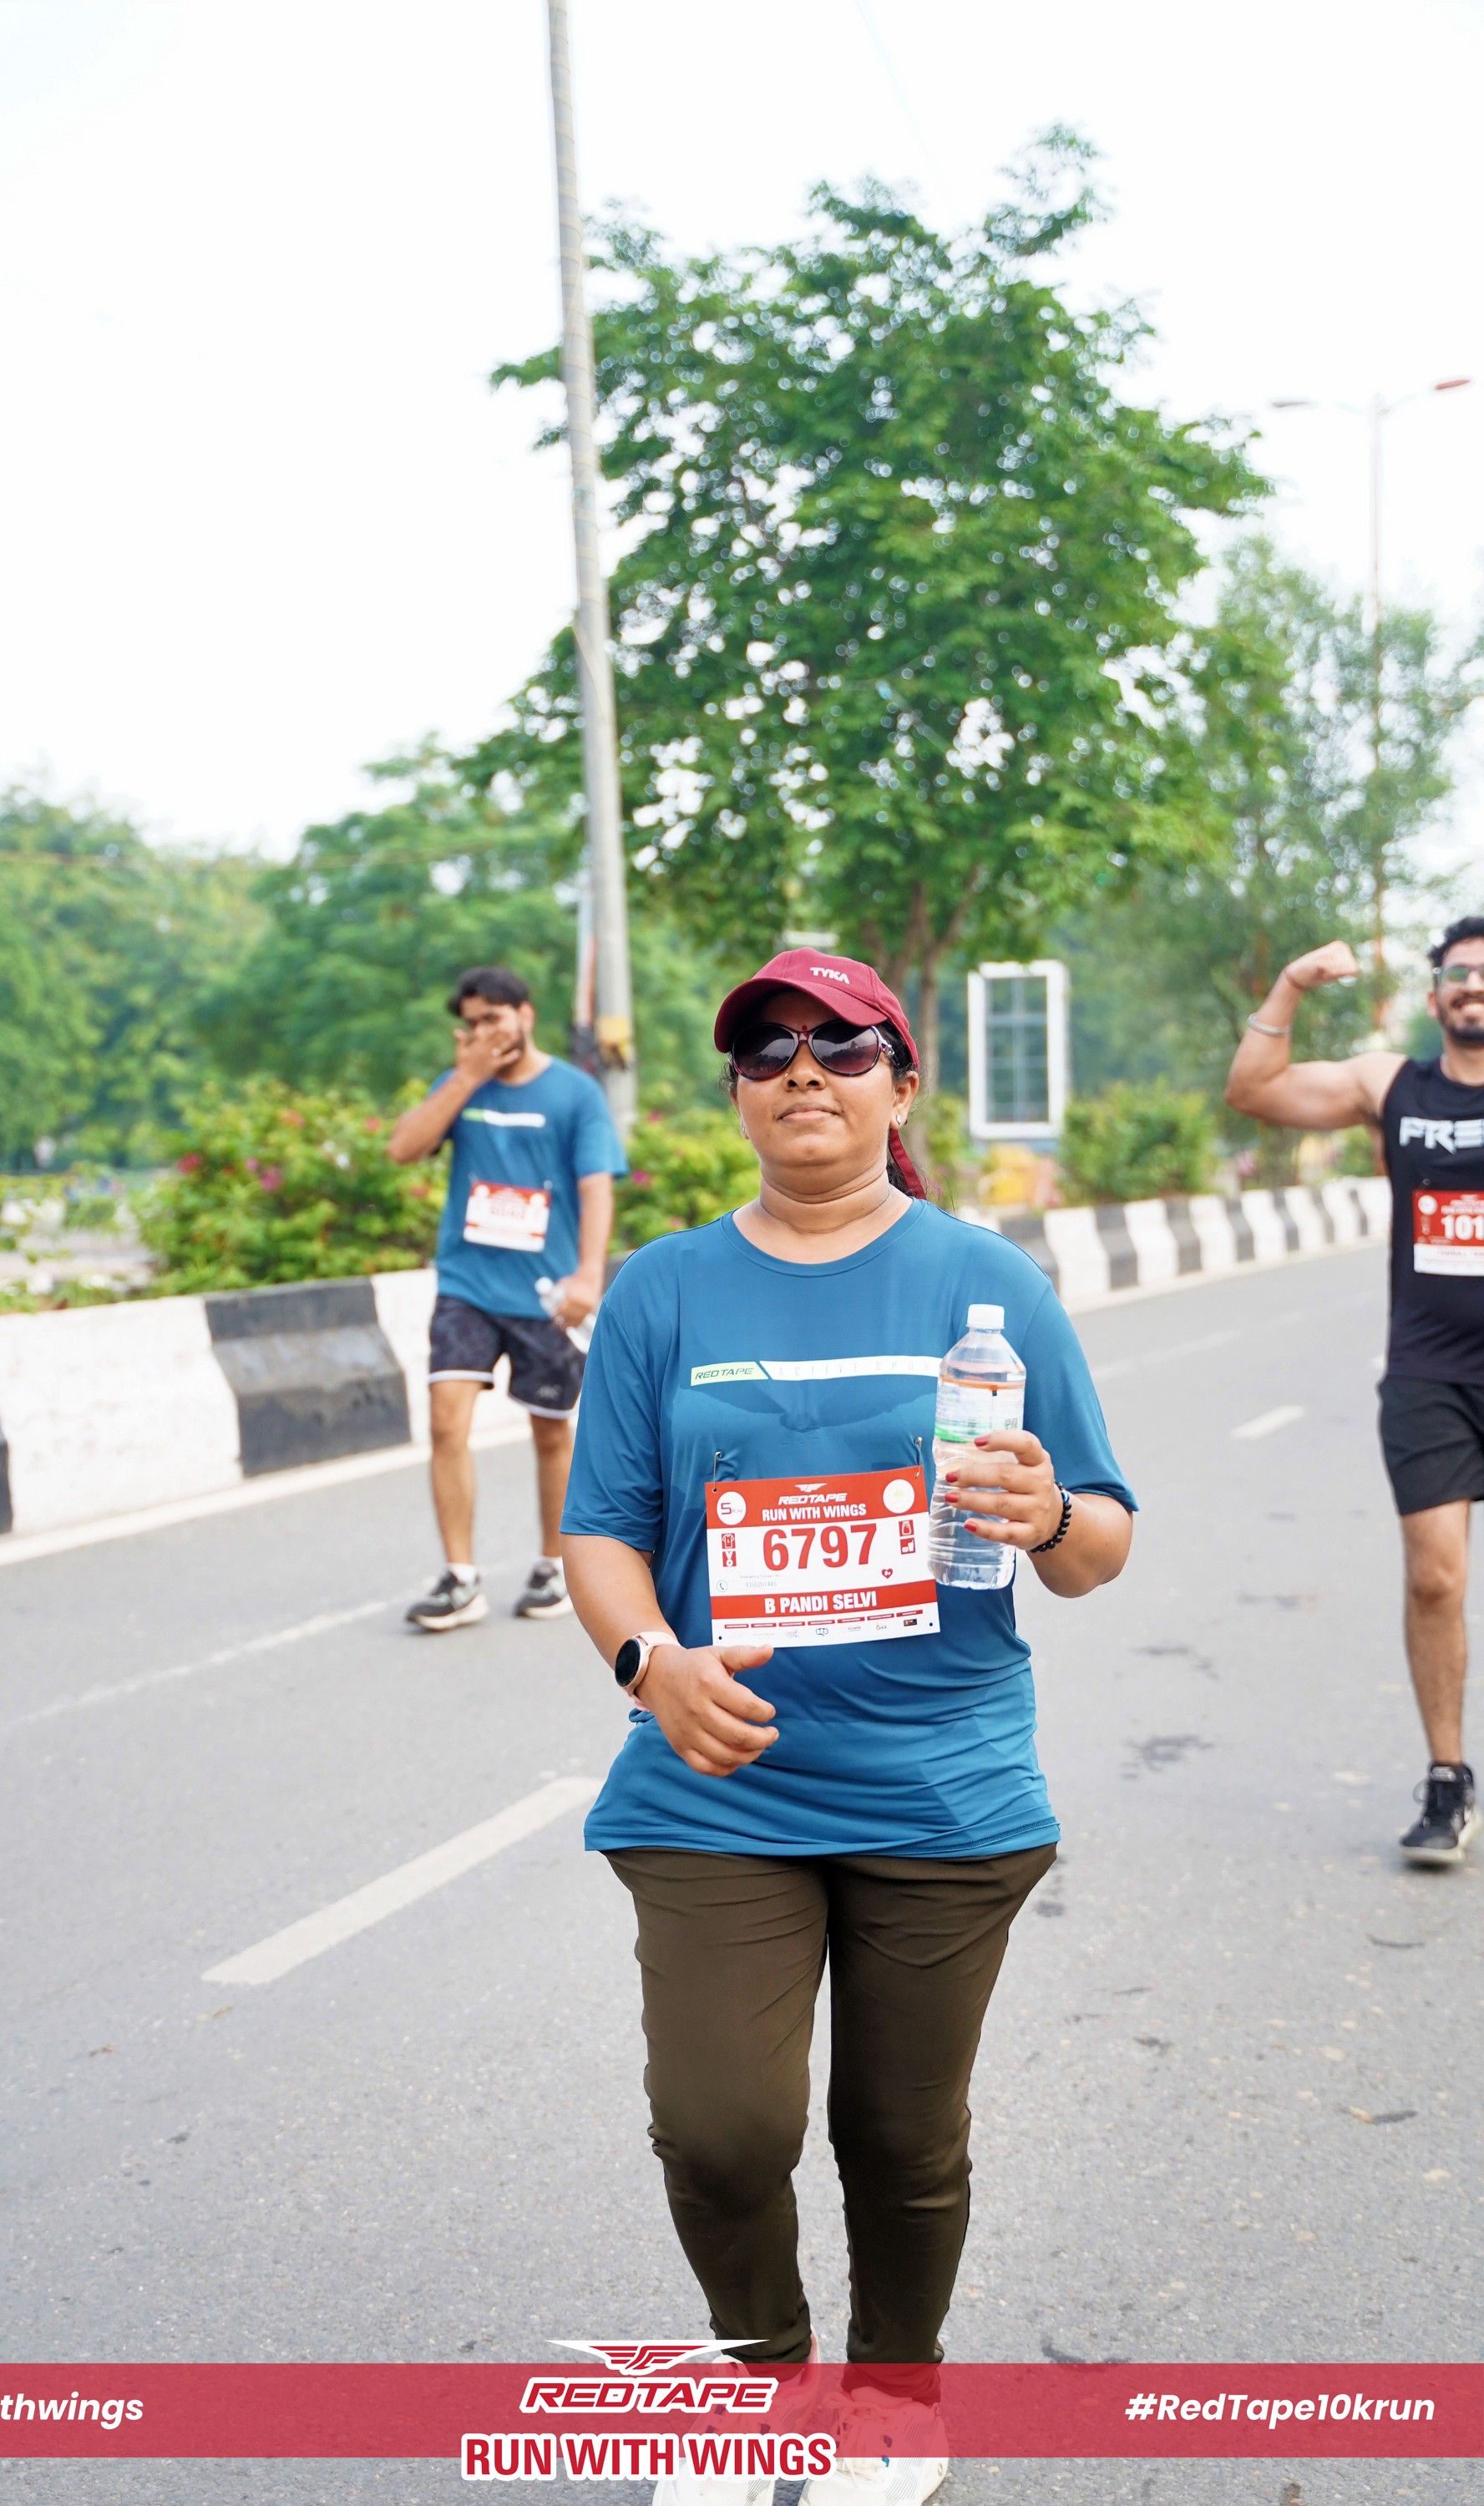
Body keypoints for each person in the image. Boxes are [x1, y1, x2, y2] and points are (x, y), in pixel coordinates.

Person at [560, 948, 1135, 2506]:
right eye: (767, 1048)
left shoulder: (989, 1287)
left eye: (841, 1044)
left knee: (899, 2136)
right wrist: (650, 1664)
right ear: (737, 1094)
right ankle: (764, 2381)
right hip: (716, 1787)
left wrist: (1046, 1510)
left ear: (901, 1083)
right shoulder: (665, 1290)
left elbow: (1098, 1549)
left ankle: (893, 2395)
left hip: (941, 1787)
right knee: (720, 2130)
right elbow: (599, 1530)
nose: (802, 1068)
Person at [1224, 916, 1484, 1866]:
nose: (1473, 986)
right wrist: (1291, 983)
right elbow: (1253, 1091)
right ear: (1435, 994)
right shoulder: (1390, 1085)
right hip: (1429, 1372)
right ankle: (1447, 1779)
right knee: (1434, 1577)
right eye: (1458, 973)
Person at [387, 965, 624, 1630]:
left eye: (494, 1017)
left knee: (551, 1430)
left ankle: (555, 1566)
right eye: (472, 1023)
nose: (484, 1031)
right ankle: (460, 1579)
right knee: (445, 1422)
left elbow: (596, 1188)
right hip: (467, 1287)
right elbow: (403, 1148)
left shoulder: (575, 1094)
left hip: (546, 1295)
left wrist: (588, 1276)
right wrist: (465, 1078)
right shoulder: (461, 1086)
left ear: (526, 1014)